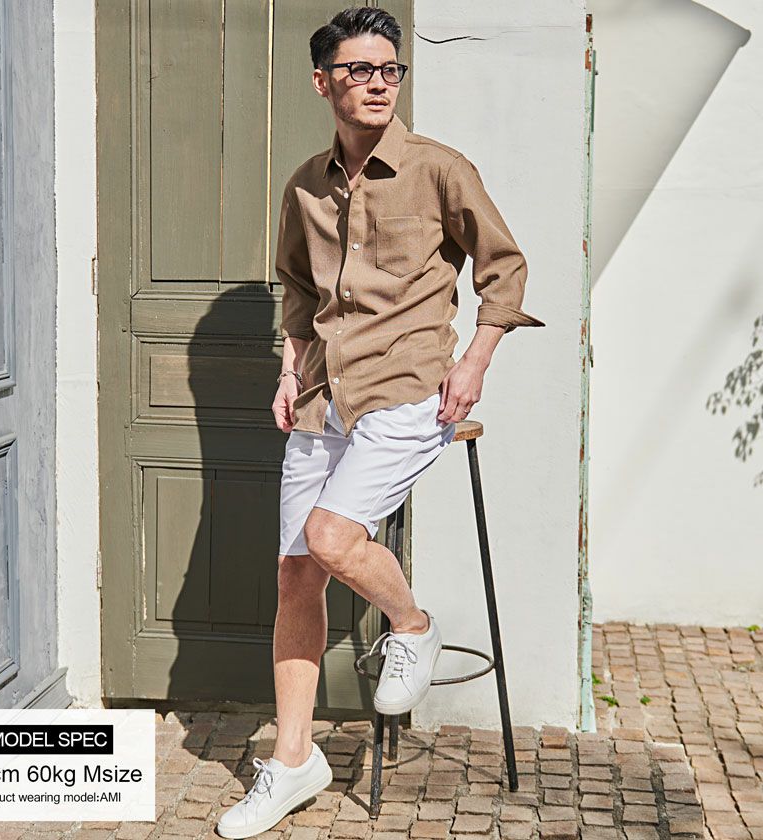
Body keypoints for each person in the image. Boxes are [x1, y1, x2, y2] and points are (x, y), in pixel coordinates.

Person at [215, 6, 545, 838]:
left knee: (331, 538)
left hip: (408, 388)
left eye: (389, 70)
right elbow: (299, 290)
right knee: (297, 574)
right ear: (322, 81)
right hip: (324, 393)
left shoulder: (440, 169)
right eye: (359, 70)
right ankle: (294, 760)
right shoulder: (304, 184)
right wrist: (289, 371)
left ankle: (413, 625)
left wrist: (474, 362)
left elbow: (504, 269)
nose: (377, 84)